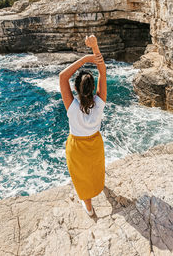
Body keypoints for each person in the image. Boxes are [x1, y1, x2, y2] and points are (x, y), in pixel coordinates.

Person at [59, 35, 107, 216]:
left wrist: (85, 59)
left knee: (81, 176)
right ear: (93, 87)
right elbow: (103, 72)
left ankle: (89, 208)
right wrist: (95, 47)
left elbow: (63, 77)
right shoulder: (100, 102)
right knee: (95, 169)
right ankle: (100, 187)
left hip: (77, 146)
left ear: (76, 89)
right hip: (95, 143)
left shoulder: (71, 107)